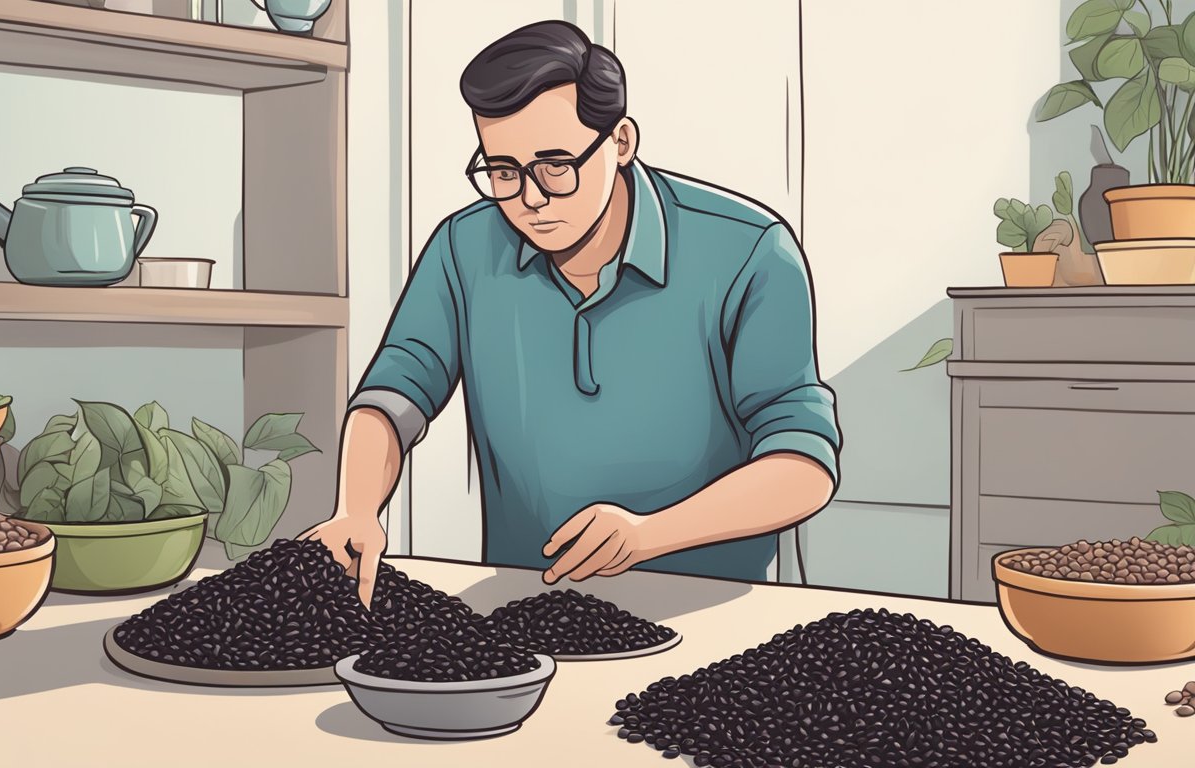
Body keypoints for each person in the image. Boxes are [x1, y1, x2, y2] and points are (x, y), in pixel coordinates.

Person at [301, 20, 841, 607]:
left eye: (556, 165)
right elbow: (393, 393)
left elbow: (802, 462)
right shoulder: (463, 248)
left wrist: (646, 536)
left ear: (621, 142)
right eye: (503, 172)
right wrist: (355, 509)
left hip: (714, 618)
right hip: (521, 617)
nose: (531, 199)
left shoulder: (750, 249)